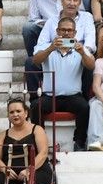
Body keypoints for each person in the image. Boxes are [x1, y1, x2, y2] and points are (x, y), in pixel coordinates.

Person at [30, 15, 94, 153]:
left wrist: (82, 53)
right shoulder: (47, 47)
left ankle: (79, 143)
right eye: (63, 30)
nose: (66, 33)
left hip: (73, 96)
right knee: (35, 106)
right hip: (50, 96)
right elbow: (35, 61)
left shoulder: (80, 48)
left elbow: (91, 66)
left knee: (84, 107)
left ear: (75, 33)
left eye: (69, 30)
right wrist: (50, 49)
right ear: (57, 31)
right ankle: (39, 143)